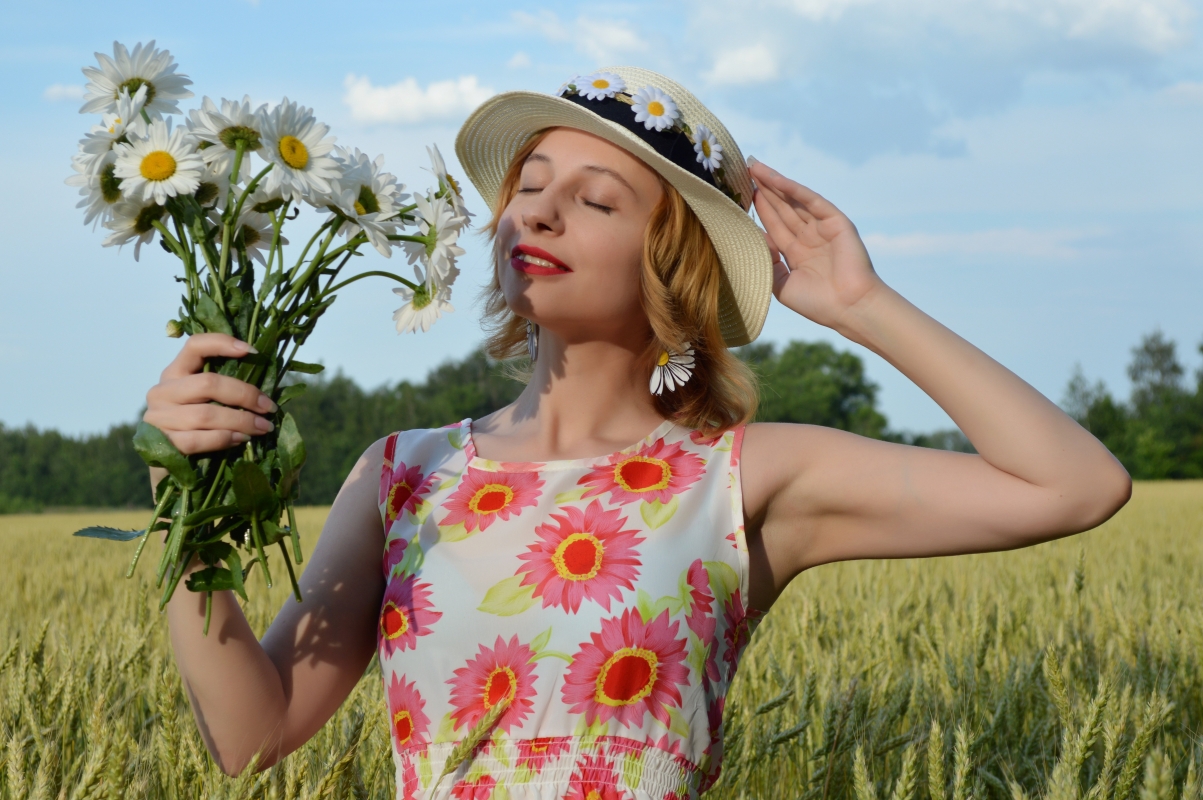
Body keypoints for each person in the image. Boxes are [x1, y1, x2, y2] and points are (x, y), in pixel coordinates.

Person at [143, 67, 1131, 798]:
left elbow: (1073, 484)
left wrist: (863, 304)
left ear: (673, 261)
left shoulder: (741, 475)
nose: (541, 210)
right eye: (529, 184)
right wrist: (187, 503)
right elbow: (251, 729)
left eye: (596, 198)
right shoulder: (403, 472)